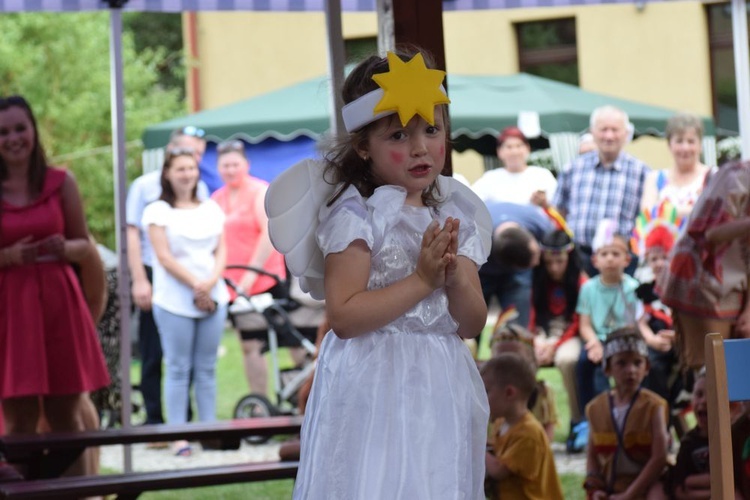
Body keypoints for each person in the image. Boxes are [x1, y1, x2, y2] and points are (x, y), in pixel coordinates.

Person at [284, 49, 490, 498]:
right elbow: (345, 315)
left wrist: (453, 276)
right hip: (374, 386)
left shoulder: (455, 210)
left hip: (439, 386)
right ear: (363, 145)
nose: (419, 147)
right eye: (398, 134)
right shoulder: (357, 214)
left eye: (431, 130)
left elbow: (472, 323)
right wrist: (420, 281)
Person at [0, 95, 110, 476]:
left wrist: (66, 247)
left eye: (20, 128)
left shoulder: (62, 182)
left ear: (33, 131)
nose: (13, 138)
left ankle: (75, 492)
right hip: (11, 310)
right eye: (3, 131)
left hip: (58, 304)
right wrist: (8, 256)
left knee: (66, 412)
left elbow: (84, 243)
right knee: (18, 415)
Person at [142, 147, 229, 456]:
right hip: (175, 301)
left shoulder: (211, 208)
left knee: (206, 367)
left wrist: (210, 283)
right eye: (180, 169)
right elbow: (163, 256)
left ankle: (209, 431)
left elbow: (221, 250)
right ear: (167, 173)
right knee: (178, 368)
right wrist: (196, 285)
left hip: (212, 297)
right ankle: (179, 436)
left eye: (191, 168)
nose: (187, 174)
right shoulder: (157, 211)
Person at [125, 127, 209, 426]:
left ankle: (183, 418)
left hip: (191, 275)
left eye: (197, 156)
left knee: (187, 355)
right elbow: (132, 234)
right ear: (170, 155)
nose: (192, 163)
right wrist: (139, 279)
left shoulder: (200, 189)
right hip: (154, 268)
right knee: (152, 350)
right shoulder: (144, 186)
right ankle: (153, 416)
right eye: (187, 153)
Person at [211, 139, 288, 397]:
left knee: (291, 339)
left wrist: (251, 274)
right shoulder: (216, 198)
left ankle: (301, 395)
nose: (231, 170)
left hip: (265, 278)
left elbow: (268, 232)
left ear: (246, 164)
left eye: (235, 164)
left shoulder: (259, 190)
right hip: (233, 284)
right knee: (249, 344)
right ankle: (260, 401)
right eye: (225, 165)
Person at [658, 160, 750, 371]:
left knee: (738, 372)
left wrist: (748, 310)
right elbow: (710, 231)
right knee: (711, 371)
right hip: (700, 284)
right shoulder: (736, 177)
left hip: (736, 285)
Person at [553, 105, 650, 277]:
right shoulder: (573, 168)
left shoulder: (642, 172)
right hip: (579, 260)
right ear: (593, 132)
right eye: (603, 129)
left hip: (623, 262)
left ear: (626, 134)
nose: (609, 136)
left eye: (615, 130)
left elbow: (647, 218)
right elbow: (558, 212)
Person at [584, 328, 669, 500]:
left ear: (647, 368)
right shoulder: (595, 408)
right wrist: (595, 488)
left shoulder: (654, 406)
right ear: (607, 368)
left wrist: (629, 495)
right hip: (612, 484)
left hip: (649, 482)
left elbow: (659, 457)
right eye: (621, 363)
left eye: (637, 363)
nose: (630, 370)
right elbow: (592, 455)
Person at [576, 220, 642, 418]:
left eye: (616, 254)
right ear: (595, 260)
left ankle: (630, 413)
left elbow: (633, 323)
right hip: (598, 339)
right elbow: (585, 325)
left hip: (625, 339)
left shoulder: (632, 287)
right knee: (584, 363)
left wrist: (611, 346)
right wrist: (594, 343)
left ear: (627, 260)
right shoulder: (588, 288)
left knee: (620, 362)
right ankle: (591, 416)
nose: (610, 259)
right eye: (604, 254)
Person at [530, 229, 587, 452]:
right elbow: (532, 312)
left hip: (570, 334)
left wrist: (555, 345)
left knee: (568, 360)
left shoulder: (581, 281)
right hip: (542, 334)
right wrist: (535, 340)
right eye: (550, 262)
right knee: (523, 357)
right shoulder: (536, 277)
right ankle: (526, 422)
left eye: (560, 262)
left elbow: (577, 320)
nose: (554, 268)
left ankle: (577, 421)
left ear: (569, 258)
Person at [482, 352, 564, 500]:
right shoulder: (502, 423)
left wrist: (478, 445)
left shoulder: (528, 433)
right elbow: (500, 451)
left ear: (509, 393)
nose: (481, 397)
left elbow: (498, 470)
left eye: (486, 391)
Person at [479, 200, 553, 330]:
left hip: (516, 274)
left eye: (537, 253)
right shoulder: (472, 231)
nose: (538, 262)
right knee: (468, 325)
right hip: (479, 272)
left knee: (517, 327)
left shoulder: (537, 221)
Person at [635, 223, 680, 413]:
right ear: (647, 261)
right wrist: (651, 340)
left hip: (679, 340)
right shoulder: (645, 290)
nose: (660, 263)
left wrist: (677, 337)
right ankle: (659, 410)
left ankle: (676, 404)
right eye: (654, 258)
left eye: (664, 257)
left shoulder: (680, 286)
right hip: (656, 340)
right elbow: (641, 322)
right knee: (652, 366)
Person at [489, 321, 558, 442]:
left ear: (530, 359)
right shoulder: (487, 394)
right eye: (501, 358)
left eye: (515, 358)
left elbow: (547, 434)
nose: (509, 365)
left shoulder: (542, 392)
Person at [640, 113, 710, 220]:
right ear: (669, 145)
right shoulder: (655, 178)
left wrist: (664, 211)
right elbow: (647, 214)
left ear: (700, 145)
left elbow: (712, 213)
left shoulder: (712, 176)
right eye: (679, 141)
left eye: (691, 141)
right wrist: (692, 210)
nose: (685, 148)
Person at [471, 126, 558, 208]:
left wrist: (544, 203)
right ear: (499, 151)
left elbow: (559, 208)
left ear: (527, 148)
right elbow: (470, 203)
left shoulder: (542, 175)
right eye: (509, 147)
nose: (514, 151)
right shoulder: (490, 178)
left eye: (519, 146)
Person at [668, 368, 710, 500]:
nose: (703, 401)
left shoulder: (735, 437)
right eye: (699, 394)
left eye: (711, 394)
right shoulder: (688, 442)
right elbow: (679, 490)